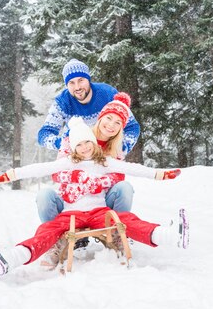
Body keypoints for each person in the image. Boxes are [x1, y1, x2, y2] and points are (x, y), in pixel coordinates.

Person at [0, 117, 187, 276]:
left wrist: (160, 174)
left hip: (99, 211)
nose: (84, 148)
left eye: (87, 142)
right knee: (48, 229)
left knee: (124, 220)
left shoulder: (105, 162)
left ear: (94, 143)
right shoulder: (67, 163)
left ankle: (170, 236)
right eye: (79, 145)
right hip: (71, 213)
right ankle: (11, 259)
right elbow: (39, 168)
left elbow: (132, 168)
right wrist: (9, 175)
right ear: (73, 147)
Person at [35, 91, 137, 223]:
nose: (111, 125)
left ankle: (117, 230)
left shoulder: (116, 148)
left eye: (118, 123)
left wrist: (97, 183)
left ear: (121, 128)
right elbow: (56, 173)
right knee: (44, 195)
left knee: (125, 187)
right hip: (71, 200)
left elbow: (119, 176)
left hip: (101, 201)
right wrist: (77, 177)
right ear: (101, 117)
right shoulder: (78, 135)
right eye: (109, 118)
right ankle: (56, 234)